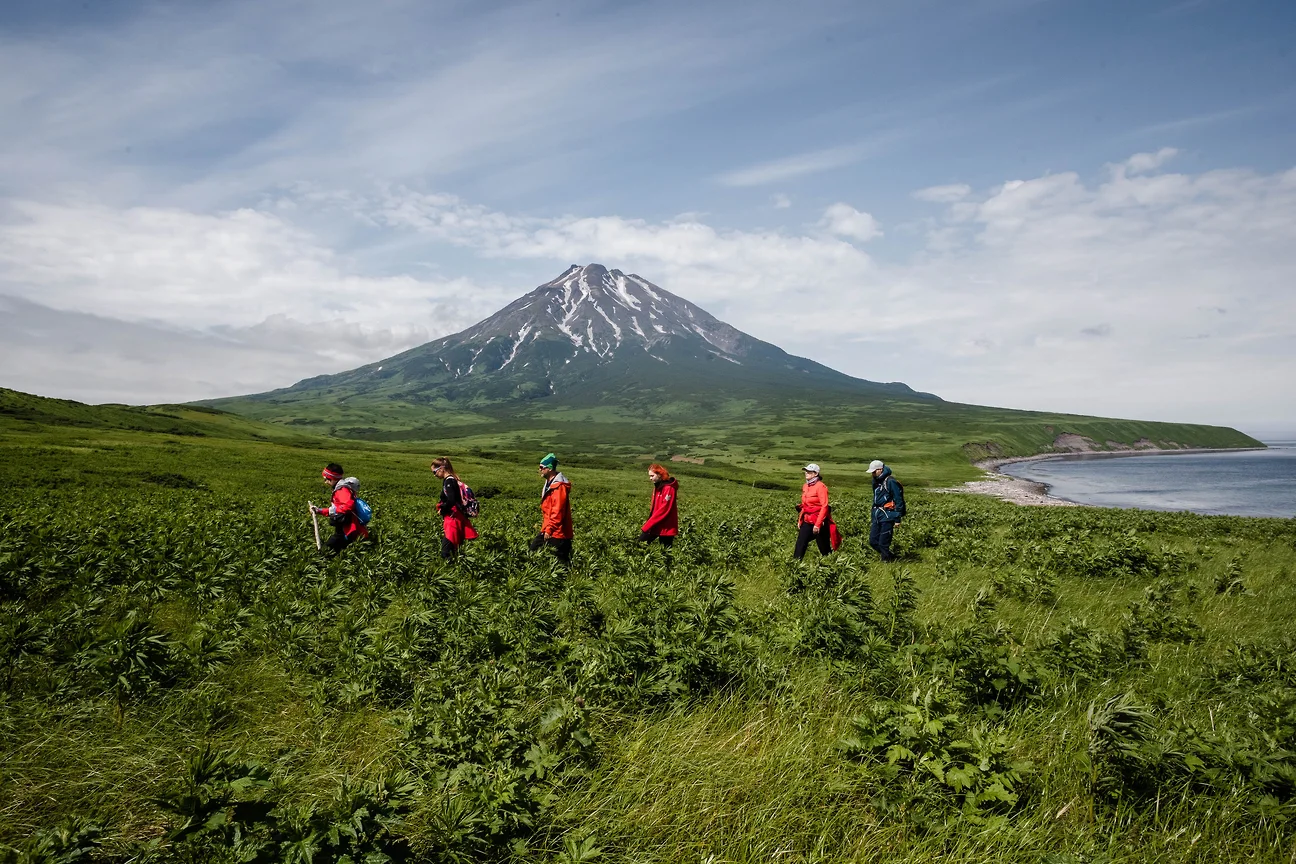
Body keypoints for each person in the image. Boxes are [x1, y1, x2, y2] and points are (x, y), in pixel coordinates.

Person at [315, 463, 368, 555]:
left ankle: (322, 558)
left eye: (327, 479)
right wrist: (319, 511)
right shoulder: (340, 488)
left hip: (347, 527)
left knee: (330, 547)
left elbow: (348, 505)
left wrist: (328, 511)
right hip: (345, 526)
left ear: (333, 478)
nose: (325, 482)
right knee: (339, 546)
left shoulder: (342, 490)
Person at [530, 452, 573, 566]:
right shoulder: (550, 483)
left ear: (549, 469)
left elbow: (557, 510)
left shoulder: (559, 486)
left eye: (541, 467)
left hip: (558, 531)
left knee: (559, 563)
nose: (539, 470)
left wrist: (550, 529)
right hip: (549, 527)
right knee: (534, 551)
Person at [432, 457, 477, 560]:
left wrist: (442, 509)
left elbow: (451, 500)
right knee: (454, 548)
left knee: (446, 551)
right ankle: (456, 570)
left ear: (441, 469)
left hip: (453, 518)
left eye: (435, 472)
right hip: (456, 517)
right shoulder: (453, 479)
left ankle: (449, 571)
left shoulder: (449, 481)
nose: (434, 475)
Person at [867, 459, 905, 562]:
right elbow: (875, 499)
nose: (873, 474)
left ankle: (887, 562)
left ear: (880, 469)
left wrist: (897, 518)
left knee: (883, 543)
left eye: (874, 472)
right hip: (877, 514)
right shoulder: (875, 482)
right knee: (873, 541)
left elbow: (898, 500)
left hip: (888, 515)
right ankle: (891, 557)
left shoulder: (890, 481)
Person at [793, 462, 832, 560]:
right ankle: (795, 566)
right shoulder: (805, 486)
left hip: (819, 520)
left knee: (824, 548)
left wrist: (817, 524)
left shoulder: (821, 487)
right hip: (807, 519)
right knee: (801, 542)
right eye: (806, 471)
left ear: (815, 474)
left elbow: (824, 506)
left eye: (809, 472)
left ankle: (832, 564)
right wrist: (800, 519)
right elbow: (805, 505)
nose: (806, 473)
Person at [639, 463, 679, 554]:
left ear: (659, 474)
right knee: (640, 545)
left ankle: (667, 568)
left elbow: (664, 510)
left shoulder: (669, 488)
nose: (650, 478)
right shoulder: (657, 487)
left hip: (666, 527)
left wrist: (648, 524)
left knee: (665, 552)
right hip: (656, 524)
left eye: (652, 476)